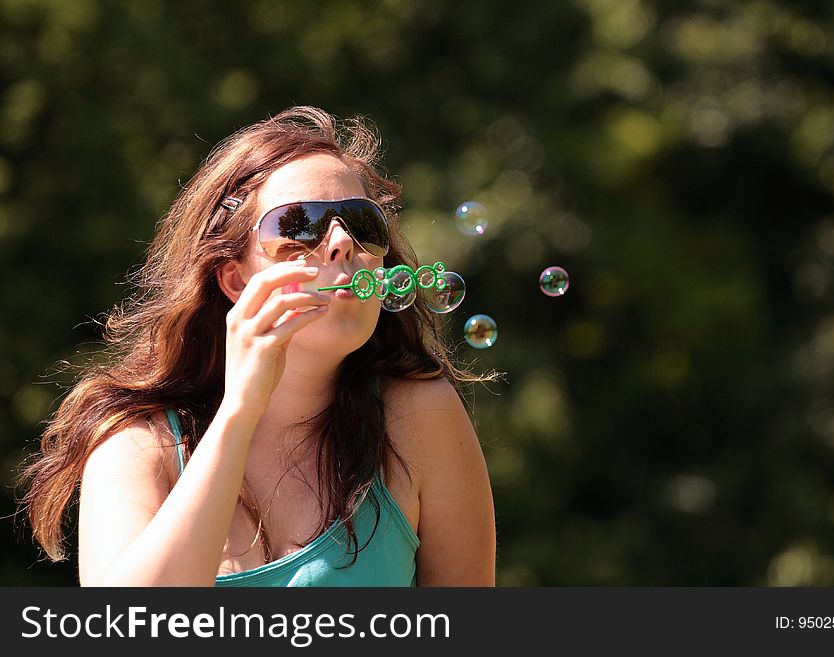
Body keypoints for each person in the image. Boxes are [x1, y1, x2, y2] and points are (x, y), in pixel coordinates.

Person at [19, 105, 497, 586]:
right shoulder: (138, 445)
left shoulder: (417, 417)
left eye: (363, 224)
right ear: (234, 278)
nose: (340, 244)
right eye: (297, 226)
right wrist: (239, 412)